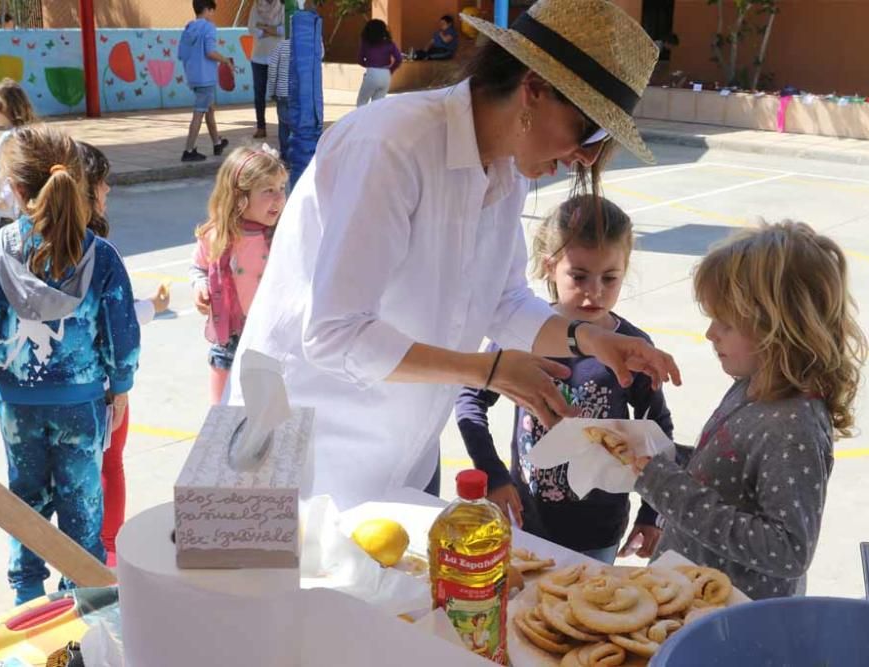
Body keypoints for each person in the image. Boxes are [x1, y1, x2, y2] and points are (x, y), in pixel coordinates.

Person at [228, 0, 679, 512]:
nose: (588, 158)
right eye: (591, 132)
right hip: (304, 448)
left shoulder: (507, 171)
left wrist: (590, 340)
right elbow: (335, 334)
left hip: (400, 451)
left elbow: (502, 303)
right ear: (533, 88)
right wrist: (485, 370)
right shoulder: (392, 145)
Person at [0, 126, 140, 604]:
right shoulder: (100, 256)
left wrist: (3, 332)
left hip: (19, 404)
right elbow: (123, 338)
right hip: (82, 402)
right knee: (82, 502)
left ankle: (27, 594)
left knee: (25, 500)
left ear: (15, 190)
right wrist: (120, 384)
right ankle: (84, 599)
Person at [630, 221, 867, 600]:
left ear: (778, 328)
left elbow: (788, 550)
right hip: (691, 594)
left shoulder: (794, 427)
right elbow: (730, 473)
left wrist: (664, 485)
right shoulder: (753, 386)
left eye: (725, 323)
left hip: (731, 620)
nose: (710, 334)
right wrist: (667, 458)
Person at [456, 195, 672, 564]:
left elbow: (657, 427)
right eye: (579, 276)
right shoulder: (520, 332)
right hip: (524, 520)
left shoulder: (632, 349)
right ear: (549, 267)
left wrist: (651, 512)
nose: (594, 291)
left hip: (599, 530)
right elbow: (470, 400)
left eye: (609, 277)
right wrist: (492, 474)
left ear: (626, 269)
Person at [77, 141, 171, 566]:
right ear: (87, 189)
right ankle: (108, 554)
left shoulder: (23, 244)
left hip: (48, 391)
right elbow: (120, 328)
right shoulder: (98, 250)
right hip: (100, 386)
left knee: (62, 480)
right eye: (103, 181)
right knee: (109, 465)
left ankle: (57, 564)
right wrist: (121, 387)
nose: (109, 189)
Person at [190, 146, 288, 404]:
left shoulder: (283, 235)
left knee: (272, 422)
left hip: (271, 341)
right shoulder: (216, 235)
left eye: (281, 188)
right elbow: (199, 267)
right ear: (239, 197)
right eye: (268, 190)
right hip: (228, 342)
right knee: (224, 422)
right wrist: (199, 285)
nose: (279, 198)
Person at [178, 0, 233, 163]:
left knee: (209, 109)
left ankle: (217, 143)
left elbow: (182, 54)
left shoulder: (189, 28)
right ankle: (188, 150)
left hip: (193, 75)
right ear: (207, 10)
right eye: (212, 11)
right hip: (205, 76)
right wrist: (225, 60)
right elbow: (210, 52)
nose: (213, 15)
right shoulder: (209, 27)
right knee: (199, 112)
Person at [0, 78, 37, 228]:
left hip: (13, 213)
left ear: (3, 107)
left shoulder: (12, 138)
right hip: (17, 209)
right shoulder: (26, 133)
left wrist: (6, 197)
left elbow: (16, 171)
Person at [286, 0, 324, 187]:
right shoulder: (304, 25)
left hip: (308, 121)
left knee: (307, 129)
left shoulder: (308, 24)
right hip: (306, 122)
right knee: (306, 128)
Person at [247, 0, 286, 139]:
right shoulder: (255, 7)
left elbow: (284, 30)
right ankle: (261, 127)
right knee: (259, 94)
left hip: (278, 56)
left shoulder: (282, 6)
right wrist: (273, 29)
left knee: (280, 94)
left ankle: (284, 126)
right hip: (258, 57)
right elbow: (252, 29)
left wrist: (263, 27)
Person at [356, 19, 402, 107]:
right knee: (378, 105)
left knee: (361, 102)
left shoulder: (366, 43)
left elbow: (359, 59)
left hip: (372, 73)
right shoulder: (389, 43)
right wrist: (390, 70)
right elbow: (399, 59)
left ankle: (361, 121)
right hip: (386, 75)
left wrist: (369, 66)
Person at [266, 34, 292, 161]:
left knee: (284, 126)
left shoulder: (282, 46)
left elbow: (272, 69)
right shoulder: (311, 46)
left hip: (283, 93)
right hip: (303, 94)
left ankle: (286, 157)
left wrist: (271, 91)